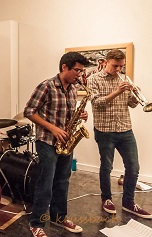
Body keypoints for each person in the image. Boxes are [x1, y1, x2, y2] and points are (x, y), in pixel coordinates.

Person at [24, 52, 89, 237]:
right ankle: (36, 223)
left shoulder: (74, 89)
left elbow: (68, 115)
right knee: (46, 183)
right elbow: (29, 111)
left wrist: (81, 115)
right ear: (64, 67)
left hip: (66, 143)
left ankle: (59, 217)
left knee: (63, 181)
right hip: (46, 141)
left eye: (82, 71)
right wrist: (52, 128)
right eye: (77, 70)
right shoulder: (47, 86)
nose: (80, 74)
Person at [87, 49, 152, 219]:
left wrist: (134, 94)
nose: (118, 69)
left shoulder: (123, 79)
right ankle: (106, 198)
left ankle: (128, 202)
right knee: (106, 166)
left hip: (125, 129)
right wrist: (116, 91)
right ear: (106, 62)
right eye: (115, 66)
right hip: (104, 130)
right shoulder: (94, 79)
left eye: (121, 66)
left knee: (133, 167)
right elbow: (96, 102)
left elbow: (130, 105)